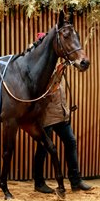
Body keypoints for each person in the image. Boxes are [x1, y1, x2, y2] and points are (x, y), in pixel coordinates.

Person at [33, 48, 92, 193]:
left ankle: (75, 181)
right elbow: (47, 90)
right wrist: (57, 74)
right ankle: (39, 183)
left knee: (70, 142)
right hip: (46, 116)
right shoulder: (40, 68)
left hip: (60, 114)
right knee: (43, 149)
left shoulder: (55, 64)